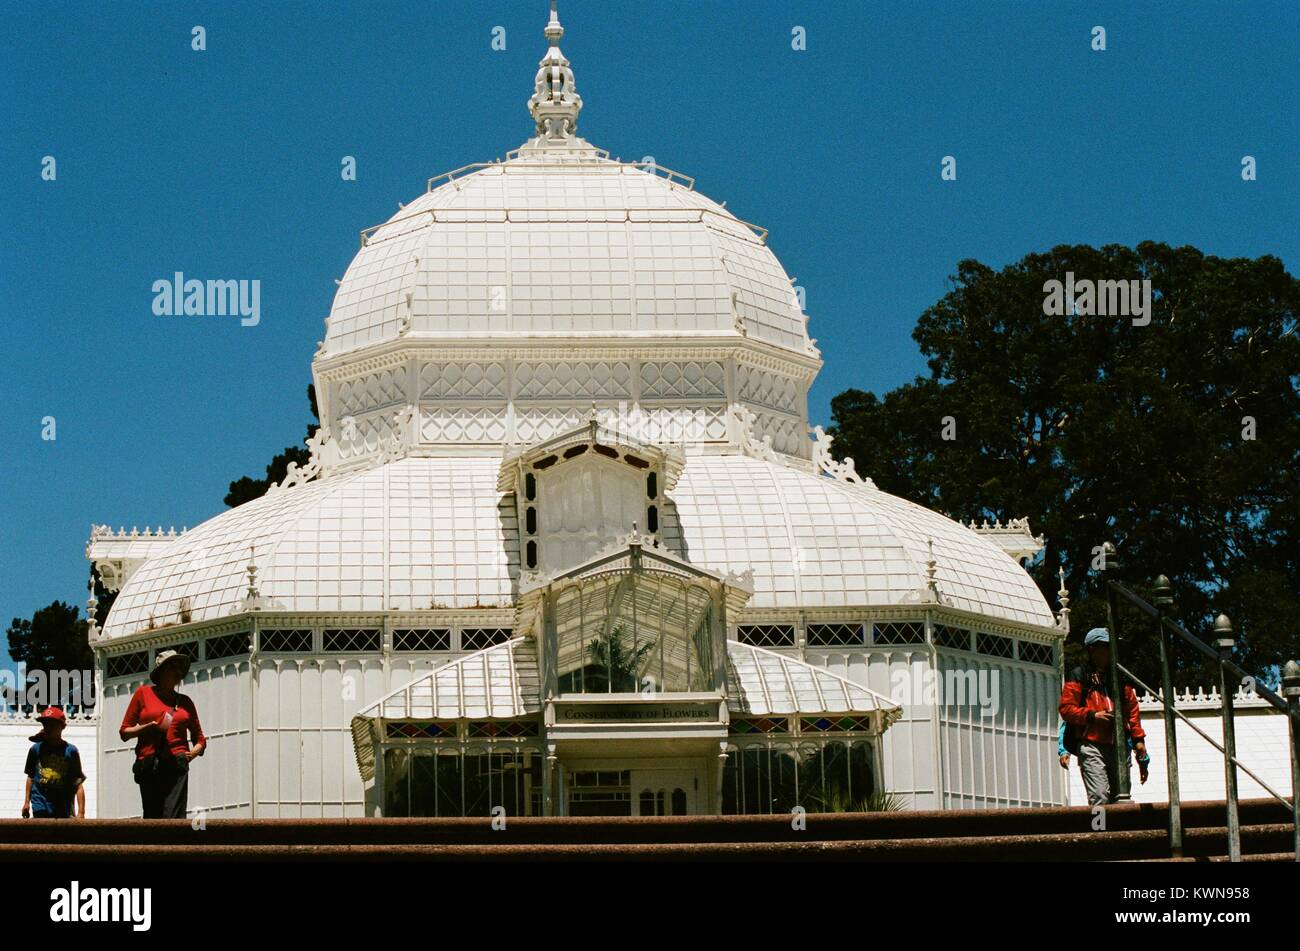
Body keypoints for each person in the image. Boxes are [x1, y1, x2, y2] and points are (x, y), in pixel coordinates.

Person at [1059, 628, 1148, 805]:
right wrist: (1092, 716)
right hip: (1091, 744)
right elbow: (1066, 709)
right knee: (1099, 796)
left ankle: (1119, 832)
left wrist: (1139, 740)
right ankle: (1098, 830)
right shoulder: (1078, 675)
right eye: (1105, 647)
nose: (1110, 652)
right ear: (1092, 649)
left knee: (1122, 796)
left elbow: (1132, 710)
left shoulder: (1120, 677)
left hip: (1119, 745)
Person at [119, 650, 206, 818]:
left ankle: (174, 845)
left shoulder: (185, 702)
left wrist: (193, 753)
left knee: (174, 816)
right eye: (173, 667)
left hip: (177, 762)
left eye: (180, 668)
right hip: (150, 762)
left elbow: (200, 738)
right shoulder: (143, 694)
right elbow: (124, 732)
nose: (178, 672)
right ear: (161, 671)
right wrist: (148, 727)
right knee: (153, 816)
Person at [21, 706, 86, 819]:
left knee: (59, 834)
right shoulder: (35, 750)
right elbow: (31, 777)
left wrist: (81, 813)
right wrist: (26, 802)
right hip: (39, 802)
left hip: (61, 804)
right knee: (42, 830)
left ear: (62, 727)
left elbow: (78, 784)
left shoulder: (70, 751)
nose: (48, 728)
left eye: (52, 725)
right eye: (45, 725)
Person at [1057, 719, 1150, 789]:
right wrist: (1064, 750)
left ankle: (1111, 814)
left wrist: (1143, 762)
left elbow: (1133, 725)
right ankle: (1101, 815)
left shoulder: (1123, 698)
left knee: (1120, 794)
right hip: (1093, 749)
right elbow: (1069, 722)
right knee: (1099, 796)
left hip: (1120, 751)